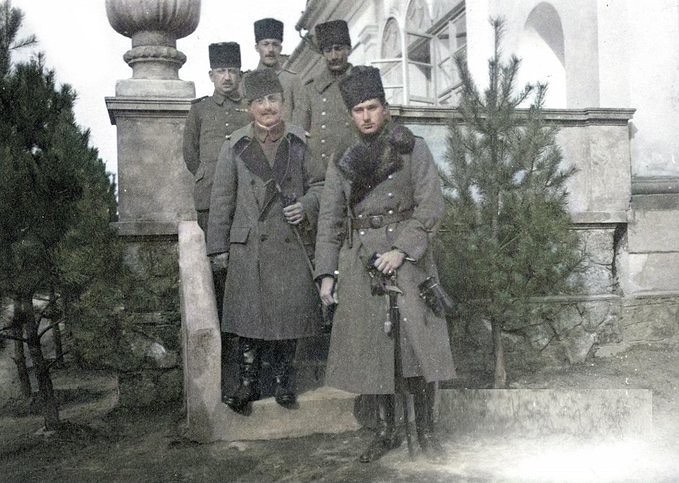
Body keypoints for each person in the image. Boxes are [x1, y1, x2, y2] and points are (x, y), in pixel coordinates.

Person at [314, 66, 456, 462]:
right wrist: (326, 275)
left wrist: (403, 250)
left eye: (372, 107)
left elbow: (431, 206)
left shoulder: (412, 148)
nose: (365, 116)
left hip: (408, 257)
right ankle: (386, 431)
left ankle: (427, 432)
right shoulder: (342, 159)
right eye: (358, 110)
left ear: (385, 108)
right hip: (362, 259)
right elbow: (330, 220)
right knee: (375, 349)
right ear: (351, 115)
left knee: (417, 346)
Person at [207, 69, 324, 413]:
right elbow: (222, 199)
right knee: (248, 318)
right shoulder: (236, 145)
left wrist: (306, 206)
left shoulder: (300, 142)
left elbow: (320, 185)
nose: (267, 107)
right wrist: (218, 249)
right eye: (259, 101)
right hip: (250, 247)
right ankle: (247, 383)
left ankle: (284, 381)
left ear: (283, 104)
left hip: (289, 242)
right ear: (249, 107)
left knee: (288, 317)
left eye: (273, 99)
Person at [183, 42, 251, 237]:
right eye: (221, 71)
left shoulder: (250, 108)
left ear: (240, 75)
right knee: (217, 256)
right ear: (211, 76)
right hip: (209, 195)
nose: (227, 77)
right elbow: (190, 153)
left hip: (243, 194)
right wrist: (207, 174)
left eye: (232, 71)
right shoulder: (199, 109)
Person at [296, 20, 354, 171]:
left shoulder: (361, 79)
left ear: (348, 49)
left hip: (357, 167)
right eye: (328, 50)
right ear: (322, 53)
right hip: (322, 172)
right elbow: (299, 133)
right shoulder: (310, 89)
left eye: (338, 48)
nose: (334, 56)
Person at [253, 17, 303, 123]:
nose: (270, 50)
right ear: (257, 48)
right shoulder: (247, 81)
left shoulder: (292, 80)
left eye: (275, 44)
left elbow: (301, 116)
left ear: (280, 48)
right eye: (265, 44)